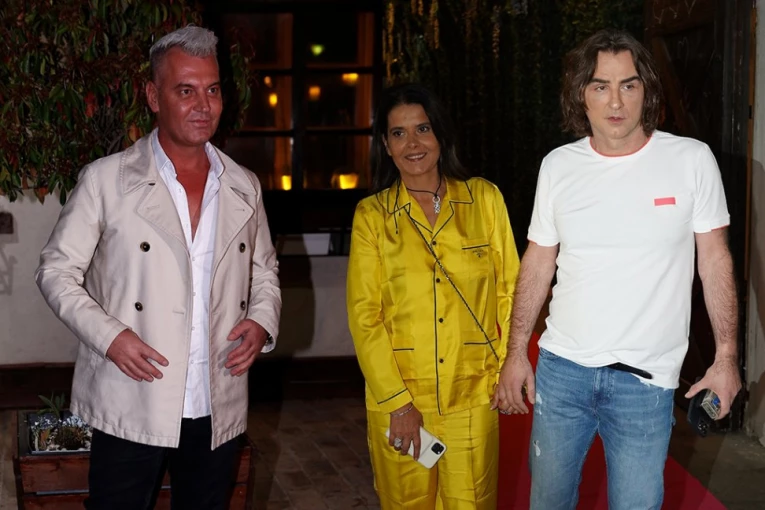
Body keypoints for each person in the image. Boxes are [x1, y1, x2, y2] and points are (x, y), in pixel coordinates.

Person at [492, 28, 742, 509]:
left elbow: (714, 260)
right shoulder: (558, 167)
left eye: (628, 84)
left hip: (644, 383)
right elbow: (539, 260)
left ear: (646, 90)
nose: (615, 101)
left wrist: (727, 356)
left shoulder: (691, 160)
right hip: (562, 372)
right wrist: (516, 352)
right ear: (580, 95)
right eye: (600, 86)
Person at [35, 26, 281, 510]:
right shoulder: (106, 180)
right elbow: (56, 272)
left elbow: (266, 272)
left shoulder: (243, 185)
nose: (203, 105)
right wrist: (110, 337)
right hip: (133, 392)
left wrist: (261, 322)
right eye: (185, 91)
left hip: (215, 393)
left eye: (212, 90)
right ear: (153, 96)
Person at [346, 83, 520, 509]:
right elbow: (365, 317)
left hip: (474, 397)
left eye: (422, 128)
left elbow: (511, 292)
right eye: (399, 133)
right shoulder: (372, 217)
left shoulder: (485, 200)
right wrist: (398, 403)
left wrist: (506, 366)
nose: (413, 143)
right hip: (402, 400)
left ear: (440, 133)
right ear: (386, 146)